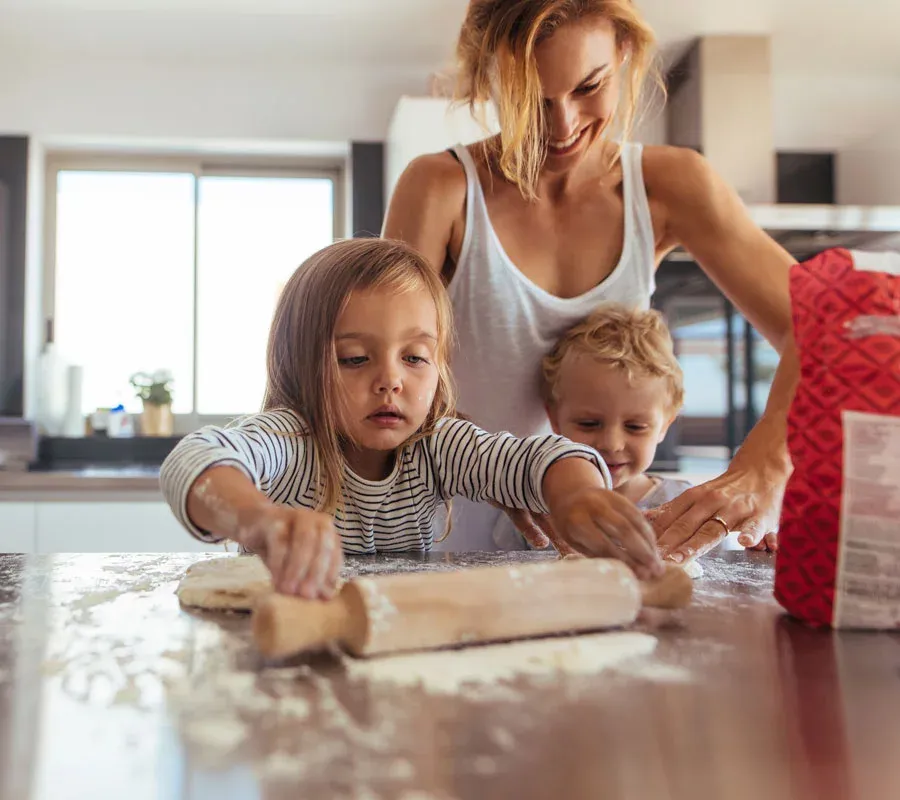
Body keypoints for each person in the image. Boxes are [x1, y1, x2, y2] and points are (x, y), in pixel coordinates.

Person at [383, 0, 792, 562]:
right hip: (448, 543)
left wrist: (764, 466)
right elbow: (387, 380)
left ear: (624, 53)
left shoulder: (670, 185)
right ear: (487, 80)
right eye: (530, 100)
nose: (562, 125)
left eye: (588, 86)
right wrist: (524, 476)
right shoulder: (440, 187)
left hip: (590, 556)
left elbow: (825, 326)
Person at [159, 238, 663, 600]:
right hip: (279, 639)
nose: (389, 380)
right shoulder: (292, 440)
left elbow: (533, 457)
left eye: (415, 357)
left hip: (389, 645)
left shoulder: (437, 445)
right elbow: (196, 459)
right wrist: (259, 521)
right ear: (299, 365)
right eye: (355, 358)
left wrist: (575, 494)